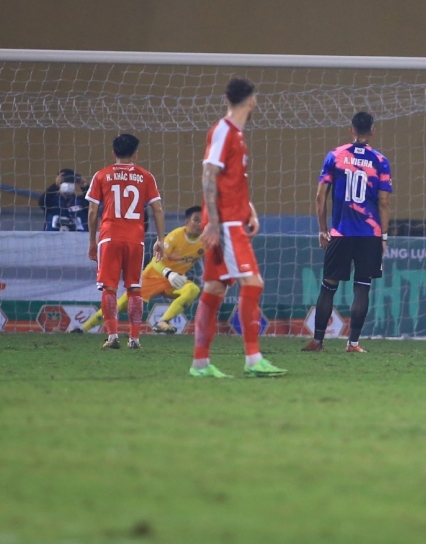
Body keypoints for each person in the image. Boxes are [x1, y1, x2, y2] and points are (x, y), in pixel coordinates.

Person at [192, 77, 287, 378]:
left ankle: (200, 364)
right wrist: (215, 223)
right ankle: (253, 359)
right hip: (226, 224)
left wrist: (251, 211)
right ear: (251, 100)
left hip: (232, 218)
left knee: (214, 288)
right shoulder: (224, 131)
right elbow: (208, 174)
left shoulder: (237, 134)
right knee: (253, 283)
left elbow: (229, 181)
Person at [304, 111, 392, 353]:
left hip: (340, 233)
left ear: (351, 130)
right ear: (372, 131)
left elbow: (320, 196)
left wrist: (323, 230)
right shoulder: (380, 161)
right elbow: (384, 202)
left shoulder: (335, 156)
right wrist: (383, 236)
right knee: (362, 287)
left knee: (328, 286)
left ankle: (317, 341)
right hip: (369, 234)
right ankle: (352, 343)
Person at [85, 134, 166, 350]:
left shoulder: (101, 175)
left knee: (109, 288)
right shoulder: (146, 176)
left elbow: (93, 212)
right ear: (136, 154)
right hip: (135, 239)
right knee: (134, 289)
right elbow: (157, 209)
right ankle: (135, 339)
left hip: (109, 237)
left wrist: (92, 240)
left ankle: (112, 337)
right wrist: (160, 239)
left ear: (113, 153)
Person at [78, 206, 205, 335]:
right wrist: (168, 273)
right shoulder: (175, 237)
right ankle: (83, 329)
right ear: (187, 221)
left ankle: (163, 322)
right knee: (120, 305)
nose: (200, 224)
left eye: (203, 220)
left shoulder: (205, 242)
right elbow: (156, 260)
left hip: (174, 282)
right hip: (153, 277)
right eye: (196, 220)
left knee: (193, 289)